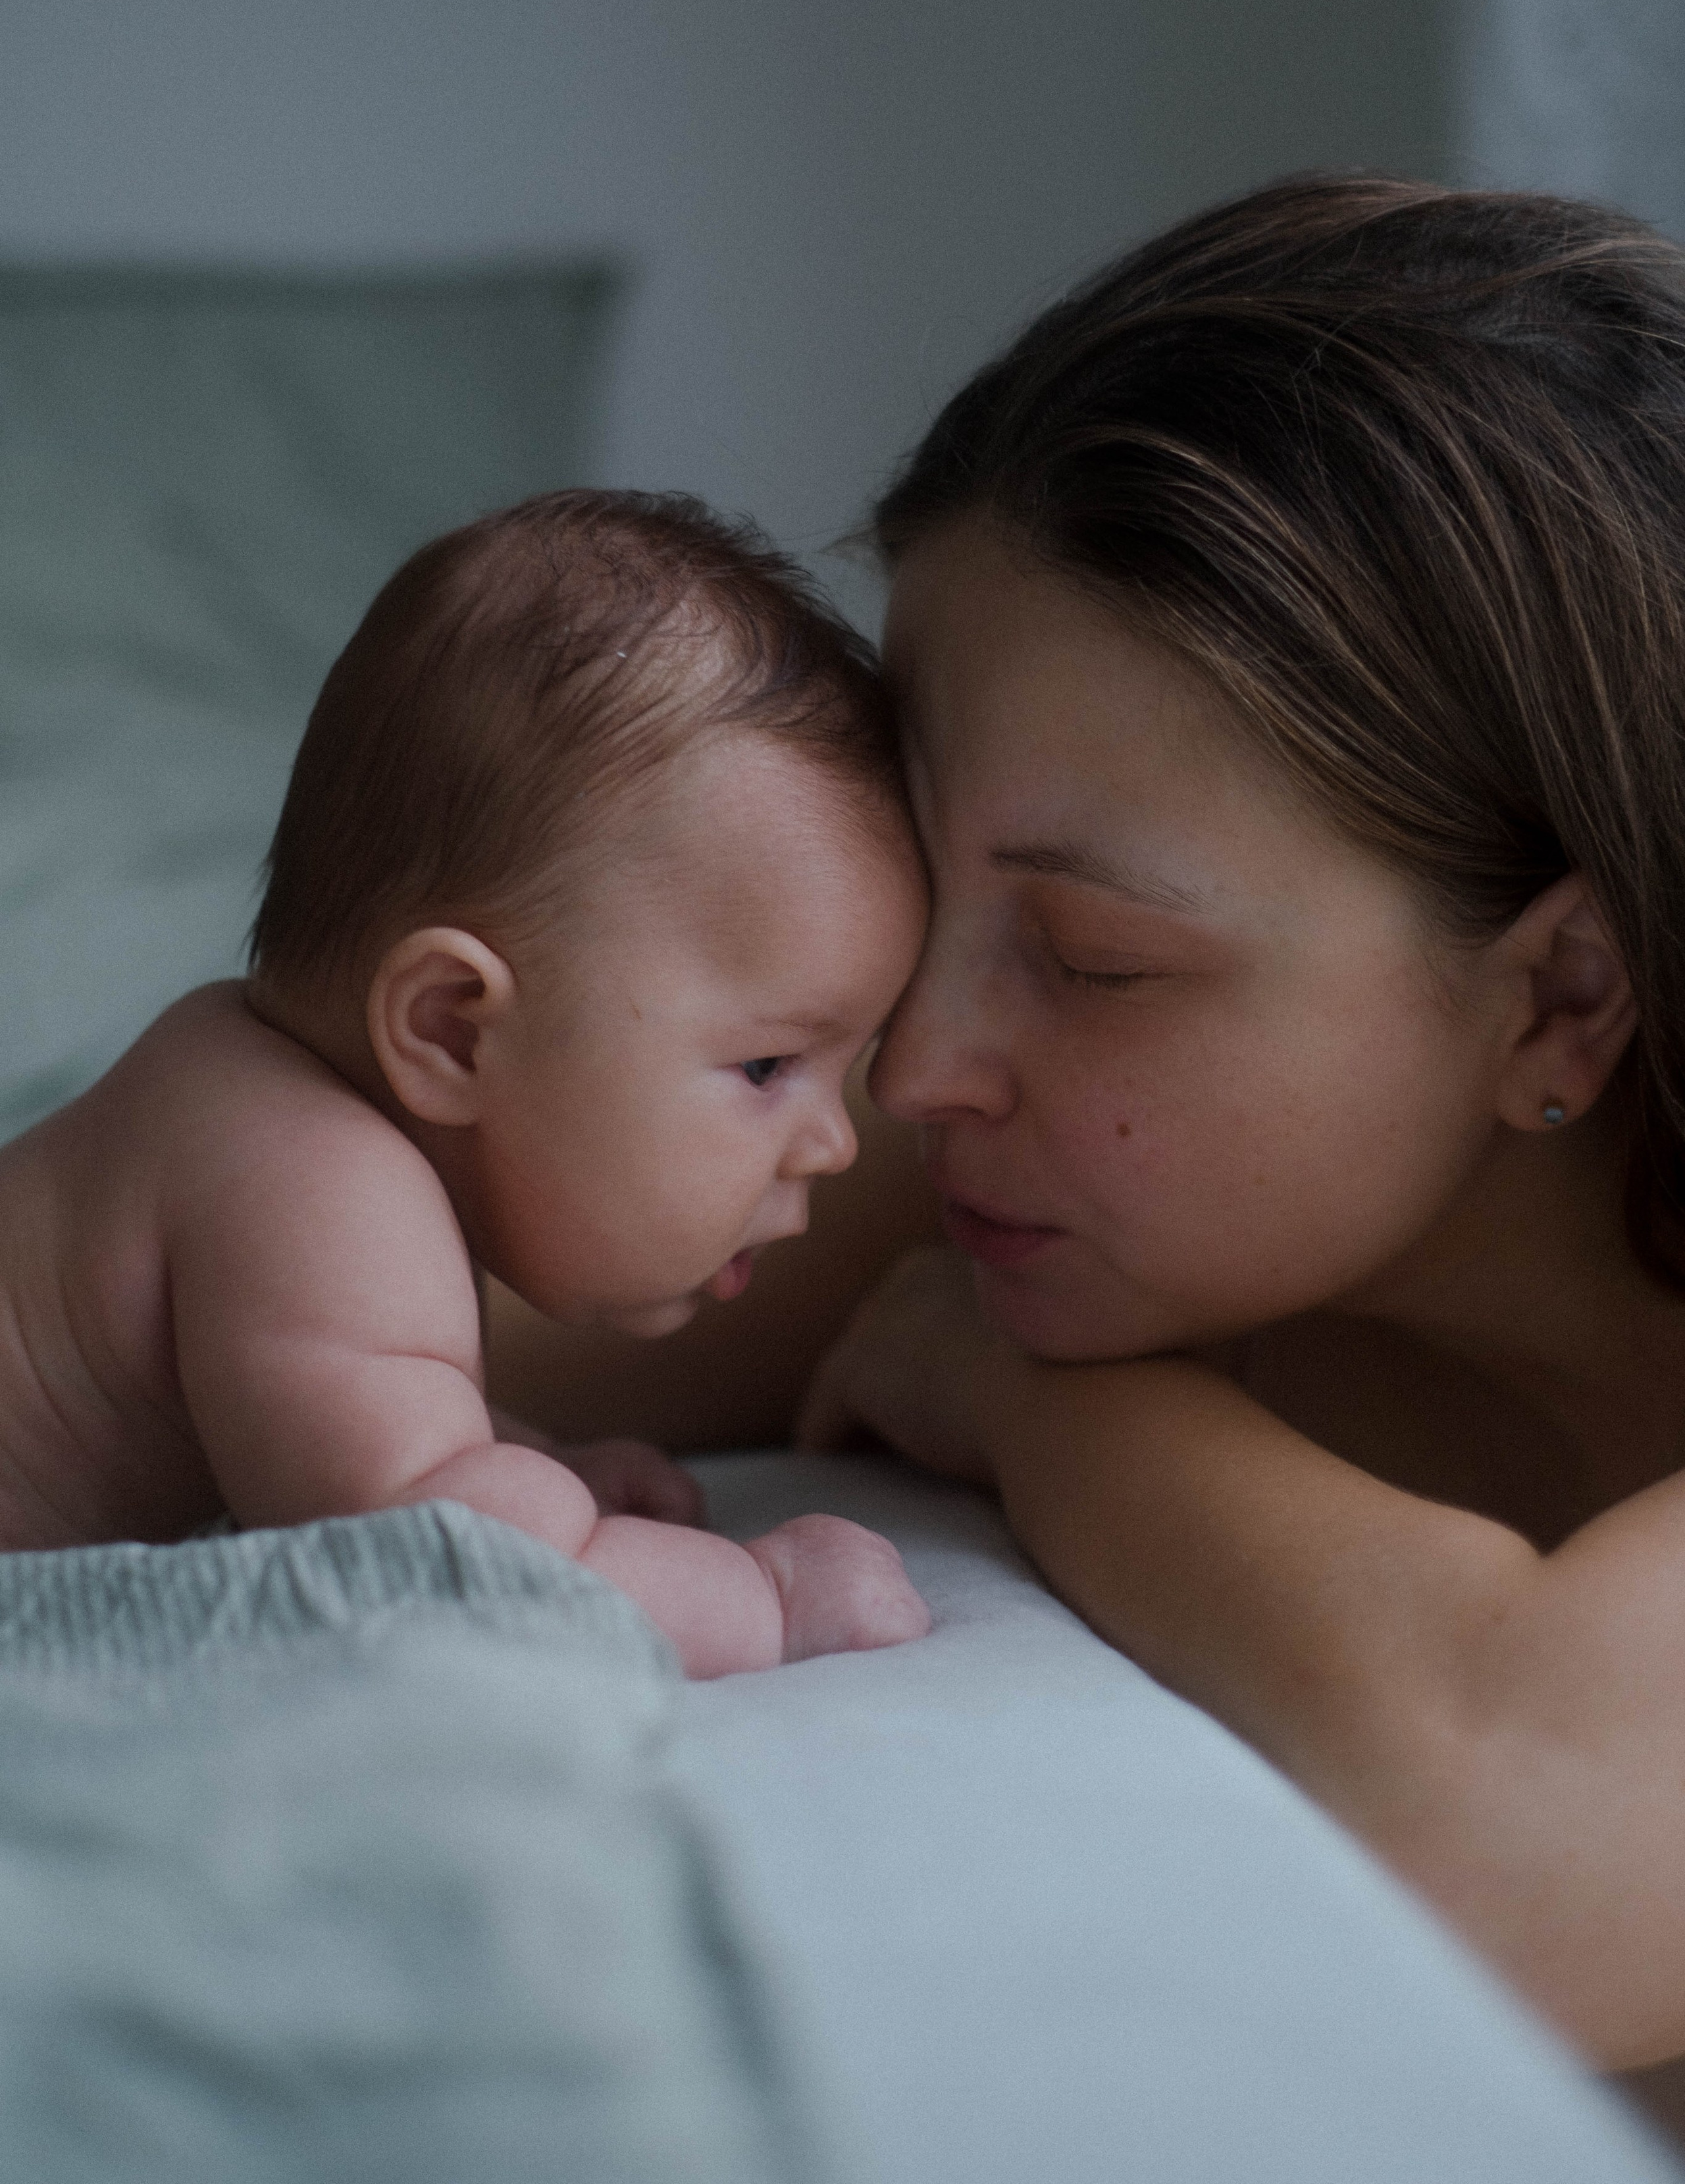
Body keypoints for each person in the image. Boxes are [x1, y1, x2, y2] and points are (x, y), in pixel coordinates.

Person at [496, 178, 1685, 2079]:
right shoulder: (1046, 1164)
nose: (917, 1071)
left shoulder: (1049, 1248)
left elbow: (1522, 1846)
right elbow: (172, 1312)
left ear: (1561, 994)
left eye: (1094, 955)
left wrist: (1022, 1396)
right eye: (921, 904)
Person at [0, 491, 931, 1680]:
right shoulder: (314, 1184)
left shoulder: (246, 1093)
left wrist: (522, 1459)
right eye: (766, 1065)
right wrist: (760, 1597)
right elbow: (437, 1567)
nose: (834, 1144)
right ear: (450, 1030)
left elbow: (339, 1427)